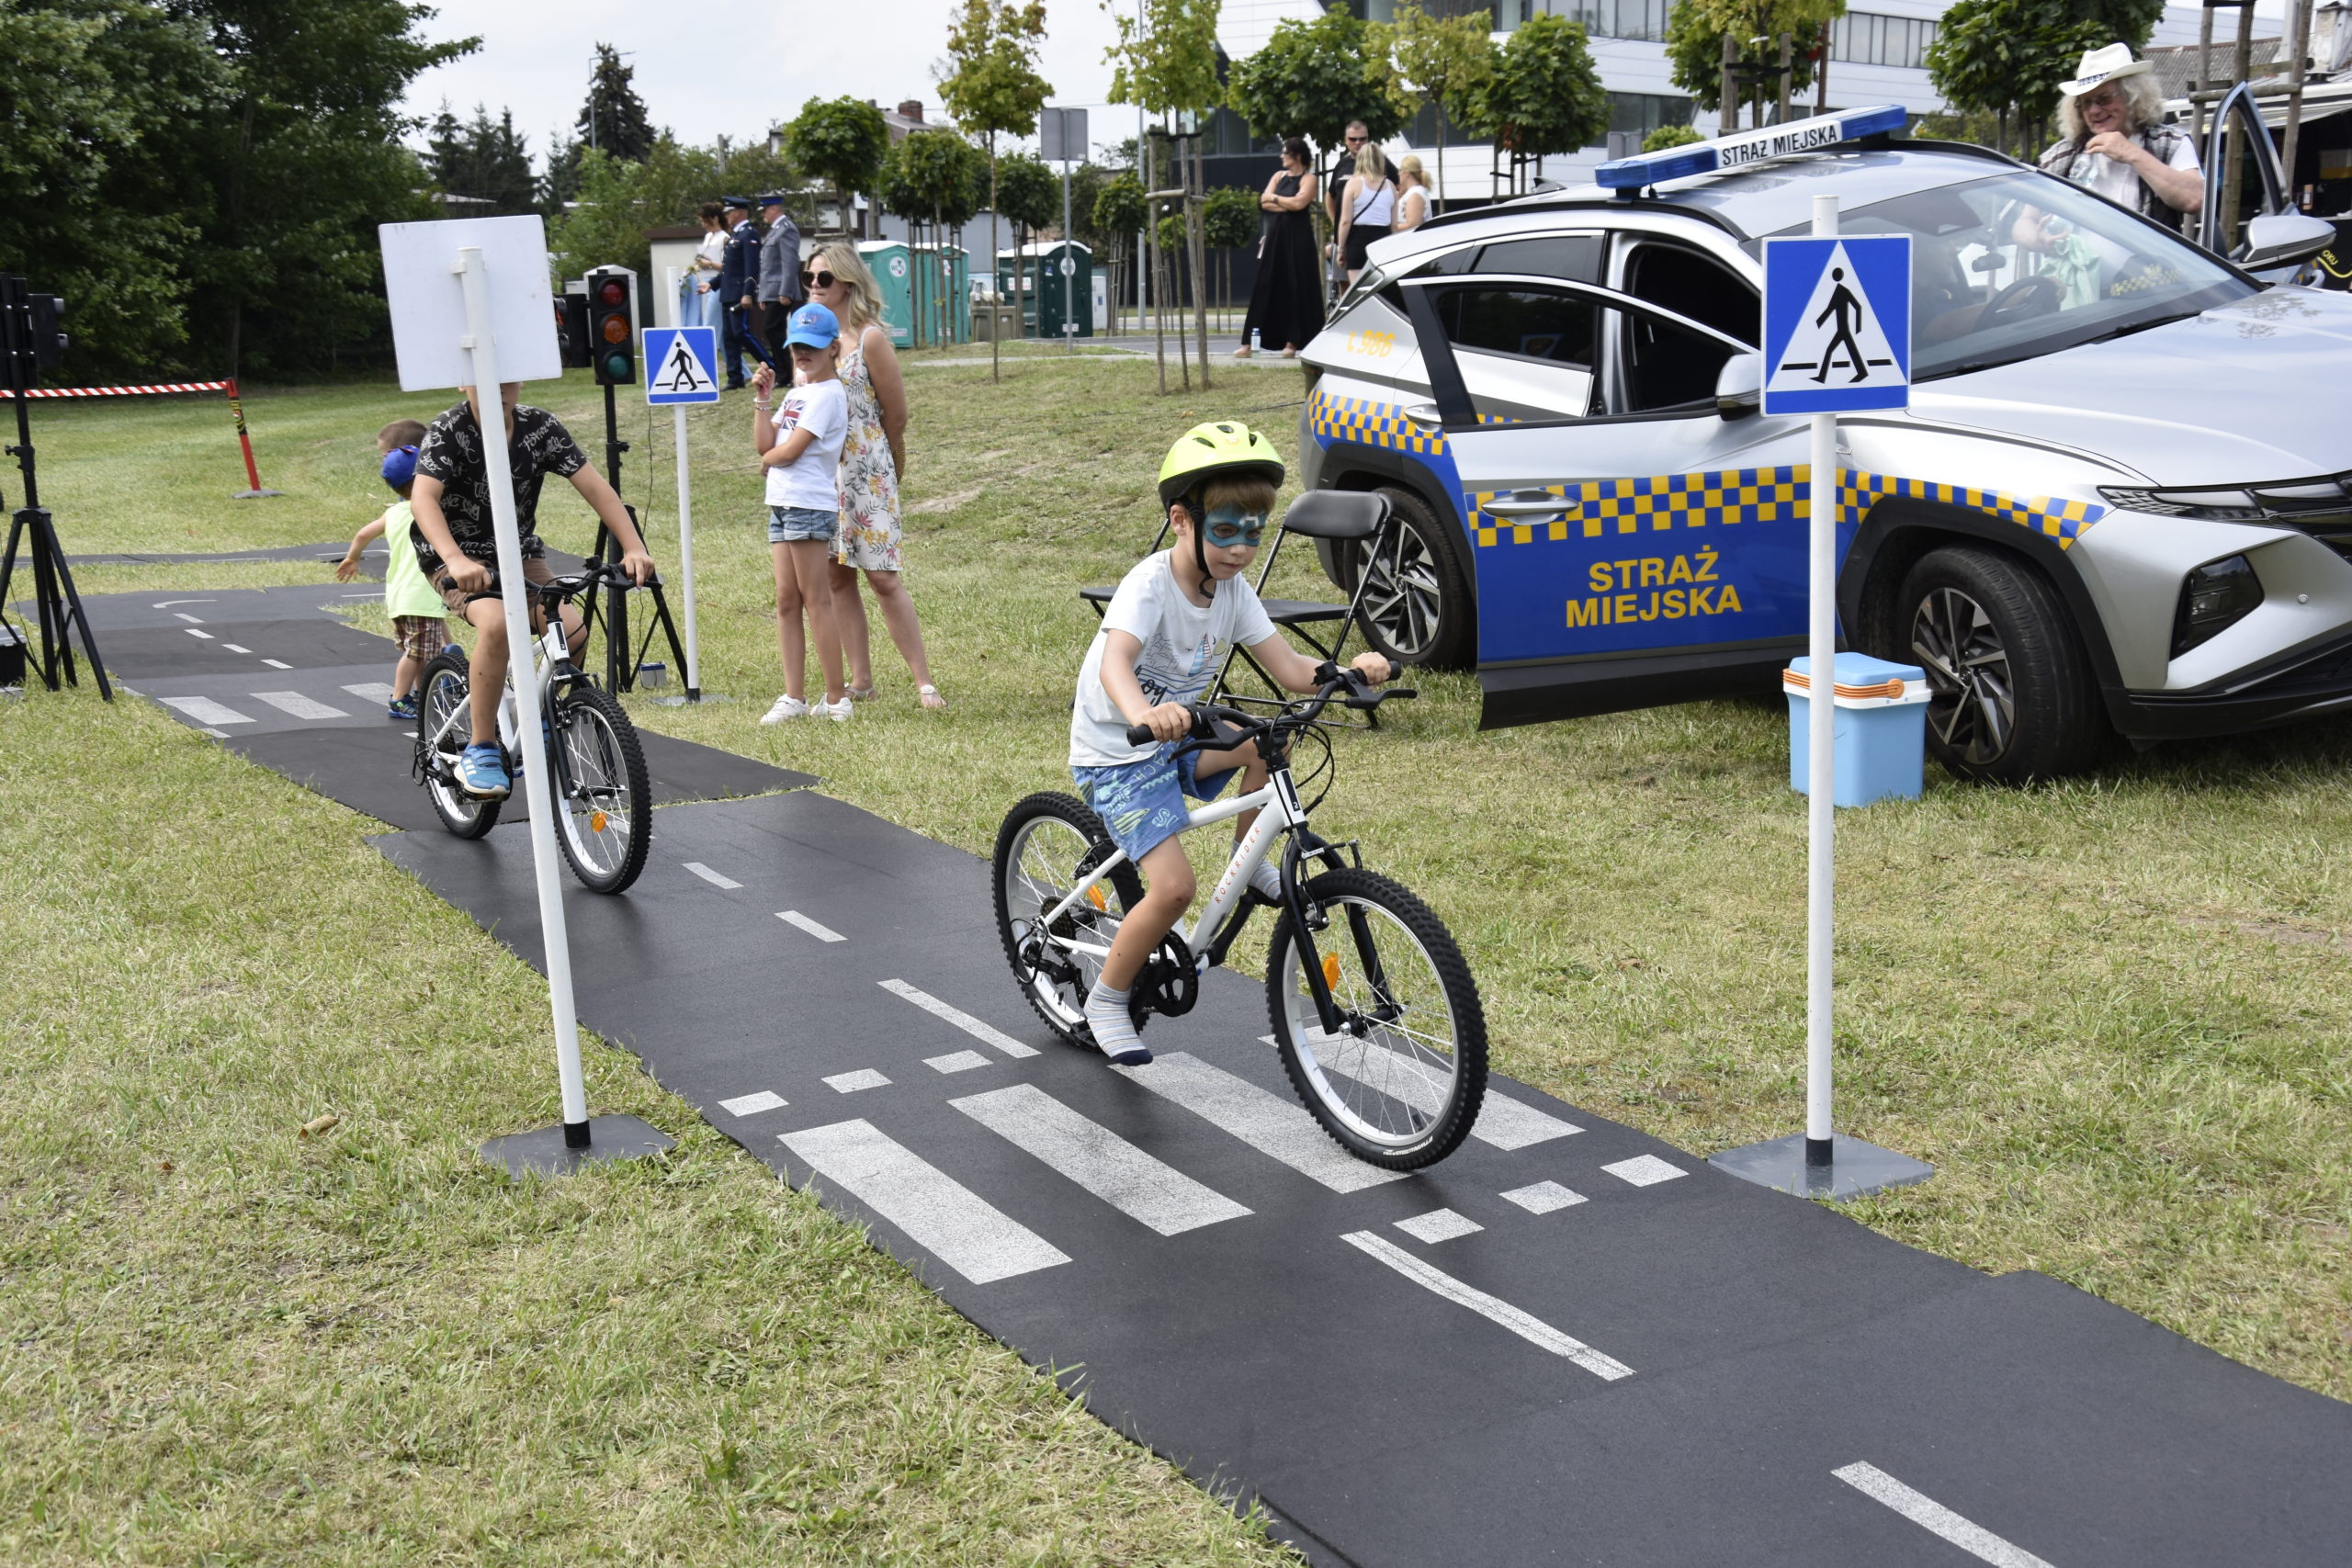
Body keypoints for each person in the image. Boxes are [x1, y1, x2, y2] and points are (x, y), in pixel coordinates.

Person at [1068, 422, 1392, 1066]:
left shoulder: (1234, 590)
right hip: (1119, 751)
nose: (1241, 548)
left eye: (1254, 531)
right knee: (1173, 890)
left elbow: (1291, 670)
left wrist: (1347, 670)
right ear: (1181, 520)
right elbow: (1114, 663)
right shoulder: (1150, 584)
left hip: (1179, 734)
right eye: (1225, 529)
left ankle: (1255, 858)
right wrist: (1143, 711)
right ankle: (1105, 1001)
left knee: (1262, 741)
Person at [409, 383, 655, 799]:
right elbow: (423, 499)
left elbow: (596, 488)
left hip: (518, 554)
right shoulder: (448, 429)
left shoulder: (538, 427)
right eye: (486, 379)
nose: (498, 389)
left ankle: (538, 716)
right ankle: (482, 746)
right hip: (457, 558)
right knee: (496, 625)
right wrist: (454, 559)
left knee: (571, 628)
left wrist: (634, 547)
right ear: (463, 381)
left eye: (508, 379)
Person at [798, 240, 947, 709]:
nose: (815, 286)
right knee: (835, 577)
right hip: (820, 472)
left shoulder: (870, 339)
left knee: (883, 577)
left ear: (848, 282)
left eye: (824, 278)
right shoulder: (805, 337)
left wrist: (873, 457)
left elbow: (897, 414)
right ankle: (860, 681)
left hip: (867, 470)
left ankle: (924, 681)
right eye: (810, 278)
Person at [750, 303, 853, 724]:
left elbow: (789, 452)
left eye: (812, 346)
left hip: (808, 504)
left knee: (816, 601)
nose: (802, 354)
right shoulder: (797, 393)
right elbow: (766, 444)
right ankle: (793, 697)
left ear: (833, 348)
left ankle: (836, 698)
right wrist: (762, 401)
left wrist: (770, 460)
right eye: (796, 347)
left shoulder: (830, 395)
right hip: (782, 502)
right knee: (786, 600)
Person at [334, 419, 445, 720]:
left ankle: (425, 691)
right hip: (421, 594)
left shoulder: (393, 511)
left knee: (421, 648)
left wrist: (353, 558)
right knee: (417, 652)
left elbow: (361, 535)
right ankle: (399, 698)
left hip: (398, 596)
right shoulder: (429, 509)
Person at [2036, 44, 2202, 229]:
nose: (2094, 110)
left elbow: (2194, 199)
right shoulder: (2064, 154)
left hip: (2148, 258)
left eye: (2104, 99)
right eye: (2085, 102)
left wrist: (2134, 155)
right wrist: (2034, 236)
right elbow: (2024, 222)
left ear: (2133, 96)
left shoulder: (2170, 142)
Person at [1234, 138, 1322, 359]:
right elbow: (1264, 202)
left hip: (1298, 237)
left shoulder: (1309, 179)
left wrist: (1276, 199)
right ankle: (1249, 342)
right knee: (1266, 283)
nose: (1281, 156)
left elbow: (1300, 204)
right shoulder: (1278, 176)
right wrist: (1285, 201)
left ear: (1297, 155)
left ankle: (1292, 341)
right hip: (1276, 235)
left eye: (1286, 153)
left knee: (1296, 284)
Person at [1335, 141, 1396, 287]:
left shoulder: (1354, 184)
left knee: (1358, 293)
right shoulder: (1391, 186)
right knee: (1381, 291)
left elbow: (1345, 221)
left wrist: (1341, 249)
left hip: (1357, 241)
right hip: (1383, 239)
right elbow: (1394, 224)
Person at [718, 196, 762, 389]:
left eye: (729, 212)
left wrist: (748, 292)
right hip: (728, 292)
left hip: (739, 293)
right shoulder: (735, 235)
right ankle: (734, 377)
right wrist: (711, 285)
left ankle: (770, 363)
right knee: (729, 336)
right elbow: (728, 270)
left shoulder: (748, 234)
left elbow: (751, 267)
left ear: (739, 212)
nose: (727, 215)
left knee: (741, 333)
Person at [755, 192, 803, 367]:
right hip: (772, 290)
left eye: (765, 210)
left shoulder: (786, 228)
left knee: (771, 329)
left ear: (774, 208)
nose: (763, 214)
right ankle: (784, 371)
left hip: (780, 290)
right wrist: (763, 294)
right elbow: (768, 265)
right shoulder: (775, 230)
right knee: (774, 330)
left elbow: (789, 263)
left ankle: (785, 370)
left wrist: (785, 291)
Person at [691, 202, 727, 332]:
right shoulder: (708, 237)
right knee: (720, 327)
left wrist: (710, 263)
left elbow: (727, 266)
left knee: (709, 322)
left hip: (718, 282)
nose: (703, 225)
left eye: (705, 221)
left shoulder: (724, 237)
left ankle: (704, 350)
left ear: (715, 219)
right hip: (706, 281)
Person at [1393, 154, 1430, 234]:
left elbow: (1412, 225)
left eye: (1400, 170)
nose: (1399, 174)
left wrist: (1389, 228)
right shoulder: (1414, 192)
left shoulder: (1415, 195)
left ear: (1407, 173)